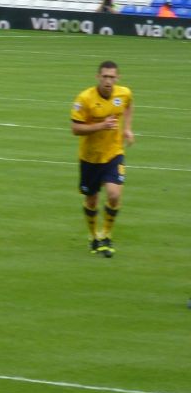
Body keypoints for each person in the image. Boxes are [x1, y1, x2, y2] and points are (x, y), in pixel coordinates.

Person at [71, 61, 134, 258]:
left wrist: (127, 129)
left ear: (117, 78)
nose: (108, 81)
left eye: (112, 77)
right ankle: (93, 237)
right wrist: (101, 126)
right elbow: (75, 129)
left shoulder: (123, 93)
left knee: (114, 194)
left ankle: (106, 234)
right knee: (92, 200)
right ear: (98, 77)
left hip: (113, 153)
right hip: (90, 158)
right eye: (105, 76)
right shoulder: (84, 99)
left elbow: (129, 106)